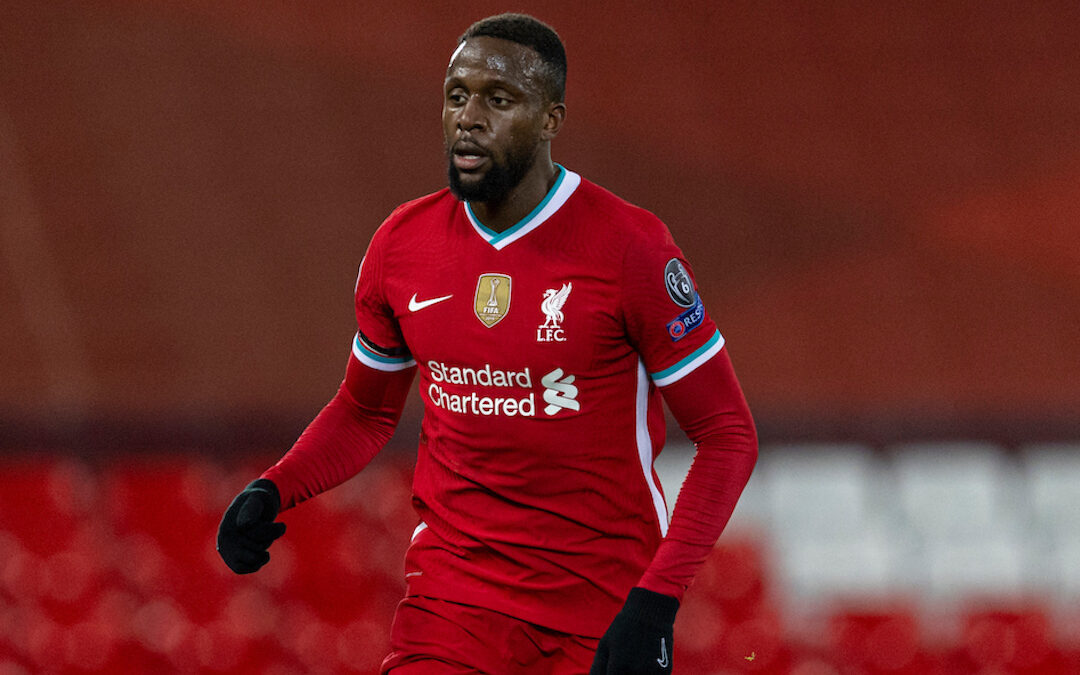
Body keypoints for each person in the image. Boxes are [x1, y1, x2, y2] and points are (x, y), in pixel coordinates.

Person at [216, 13, 757, 675]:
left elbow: (726, 431)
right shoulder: (401, 246)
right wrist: (275, 488)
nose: (468, 117)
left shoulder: (631, 249)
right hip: (454, 606)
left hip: (603, 611)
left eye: (498, 100)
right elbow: (366, 410)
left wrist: (657, 600)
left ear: (551, 118)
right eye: (456, 95)